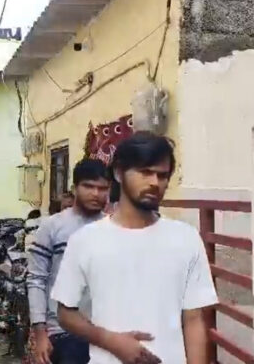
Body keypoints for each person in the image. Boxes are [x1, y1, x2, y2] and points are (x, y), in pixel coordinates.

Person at [52, 132, 218, 364]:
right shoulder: (85, 240)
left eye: (162, 175)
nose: (155, 182)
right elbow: (65, 313)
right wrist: (111, 341)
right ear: (119, 173)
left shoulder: (186, 238)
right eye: (145, 172)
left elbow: (194, 319)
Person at [27, 159, 110, 364]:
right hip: (62, 333)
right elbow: (36, 280)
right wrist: (40, 333)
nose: (96, 194)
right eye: (88, 186)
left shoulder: (113, 229)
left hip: (104, 334)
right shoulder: (53, 226)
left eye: (102, 188)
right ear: (74, 189)